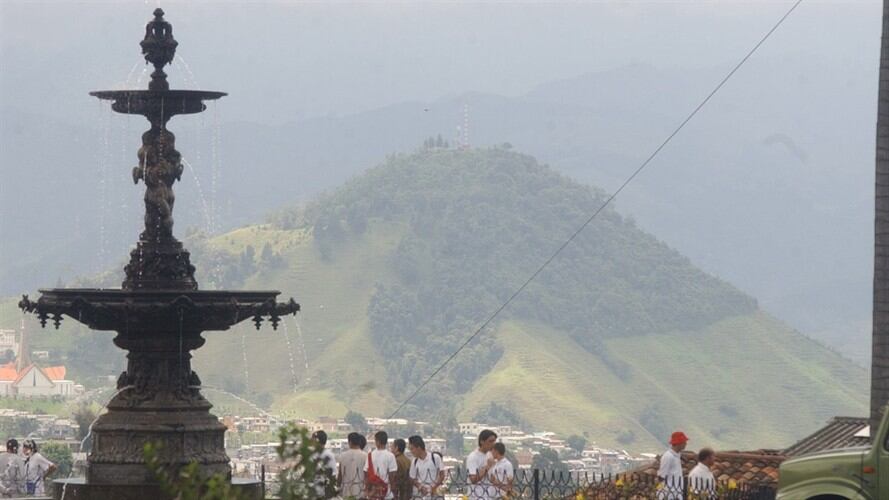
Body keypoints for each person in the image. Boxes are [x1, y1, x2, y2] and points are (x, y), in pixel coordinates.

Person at [408, 435, 444, 499]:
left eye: (412, 449)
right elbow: (412, 478)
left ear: (418, 448)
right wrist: (420, 487)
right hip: (421, 495)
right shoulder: (415, 461)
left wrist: (434, 487)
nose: (411, 451)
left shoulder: (435, 458)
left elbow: (442, 474)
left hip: (435, 494)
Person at [365, 431, 397, 500]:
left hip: (373, 493)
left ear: (378, 441)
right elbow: (392, 476)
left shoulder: (370, 455)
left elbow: (366, 473)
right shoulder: (390, 456)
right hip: (386, 492)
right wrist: (394, 493)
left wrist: (367, 490)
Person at [467, 429, 498, 500]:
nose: (493, 444)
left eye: (494, 441)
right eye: (490, 441)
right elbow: (473, 480)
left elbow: (491, 478)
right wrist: (487, 467)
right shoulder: (473, 457)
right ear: (482, 441)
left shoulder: (489, 455)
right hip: (476, 496)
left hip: (488, 496)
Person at [657, 431, 688, 500]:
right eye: (684, 442)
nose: (686, 444)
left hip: (676, 492)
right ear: (678, 443)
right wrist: (660, 492)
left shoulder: (676, 456)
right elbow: (661, 476)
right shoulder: (668, 456)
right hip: (669, 493)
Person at [339, 432, 367, 499]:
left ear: (350, 442)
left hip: (346, 491)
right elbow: (367, 475)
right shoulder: (365, 456)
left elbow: (340, 475)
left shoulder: (342, 456)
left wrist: (338, 487)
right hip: (360, 491)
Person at [312, 430, 337, 498]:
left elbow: (333, 475)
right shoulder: (311, 454)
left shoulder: (329, 455)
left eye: (313, 440)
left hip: (324, 492)